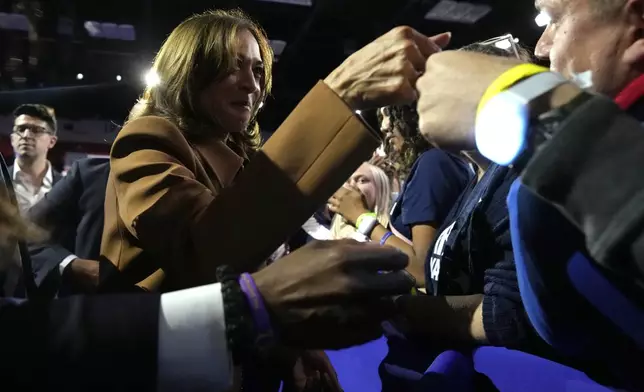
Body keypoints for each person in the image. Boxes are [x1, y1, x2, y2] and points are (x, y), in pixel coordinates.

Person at [99, 9, 452, 292]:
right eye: (231, 65)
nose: (251, 84)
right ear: (189, 71)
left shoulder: (245, 159)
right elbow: (209, 256)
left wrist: (289, 346)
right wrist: (339, 94)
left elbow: (262, 274)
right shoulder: (148, 136)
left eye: (257, 69)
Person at [0, 184, 415, 391]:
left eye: (257, 70)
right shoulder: (105, 170)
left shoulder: (234, 181)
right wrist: (244, 305)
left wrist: (280, 334)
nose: (249, 85)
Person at [330, 105, 472, 285]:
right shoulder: (441, 160)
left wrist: (361, 217)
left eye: (390, 114)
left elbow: (423, 271)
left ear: (413, 114)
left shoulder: (432, 163)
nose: (384, 126)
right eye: (381, 117)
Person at [27, 158, 109, 296]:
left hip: (152, 303)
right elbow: (26, 229)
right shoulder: (89, 173)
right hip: (84, 303)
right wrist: (72, 264)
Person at [9, 104, 62, 213]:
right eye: (21, 129)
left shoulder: (64, 187)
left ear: (52, 141)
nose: (26, 135)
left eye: (36, 130)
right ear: (12, 139)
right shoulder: (2, 181)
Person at [330, 162, 391, 242]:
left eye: (362, 180)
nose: (351, 185)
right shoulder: (337, 224)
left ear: (380, 189)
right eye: (347, 181)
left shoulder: (391, 230)